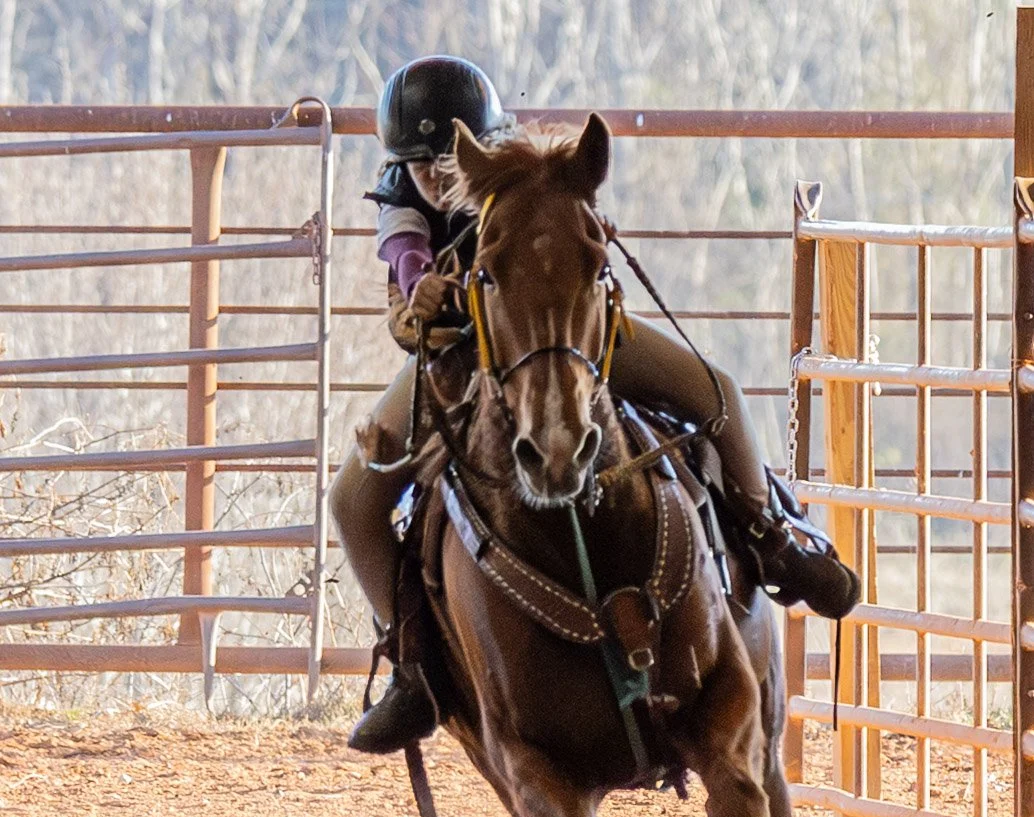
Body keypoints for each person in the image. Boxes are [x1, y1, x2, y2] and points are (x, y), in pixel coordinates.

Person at [331, 55, 859, 755]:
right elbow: (404, 252)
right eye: (417, 161)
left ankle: (770, 538)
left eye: (442, 157)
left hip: (575, 341)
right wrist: (422, 285)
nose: (432, 174)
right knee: (352, 499)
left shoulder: (523, 174)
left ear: (483, 143)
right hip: (463, 355)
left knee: (720, 391)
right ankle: (414, 666)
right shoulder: (400, 201)